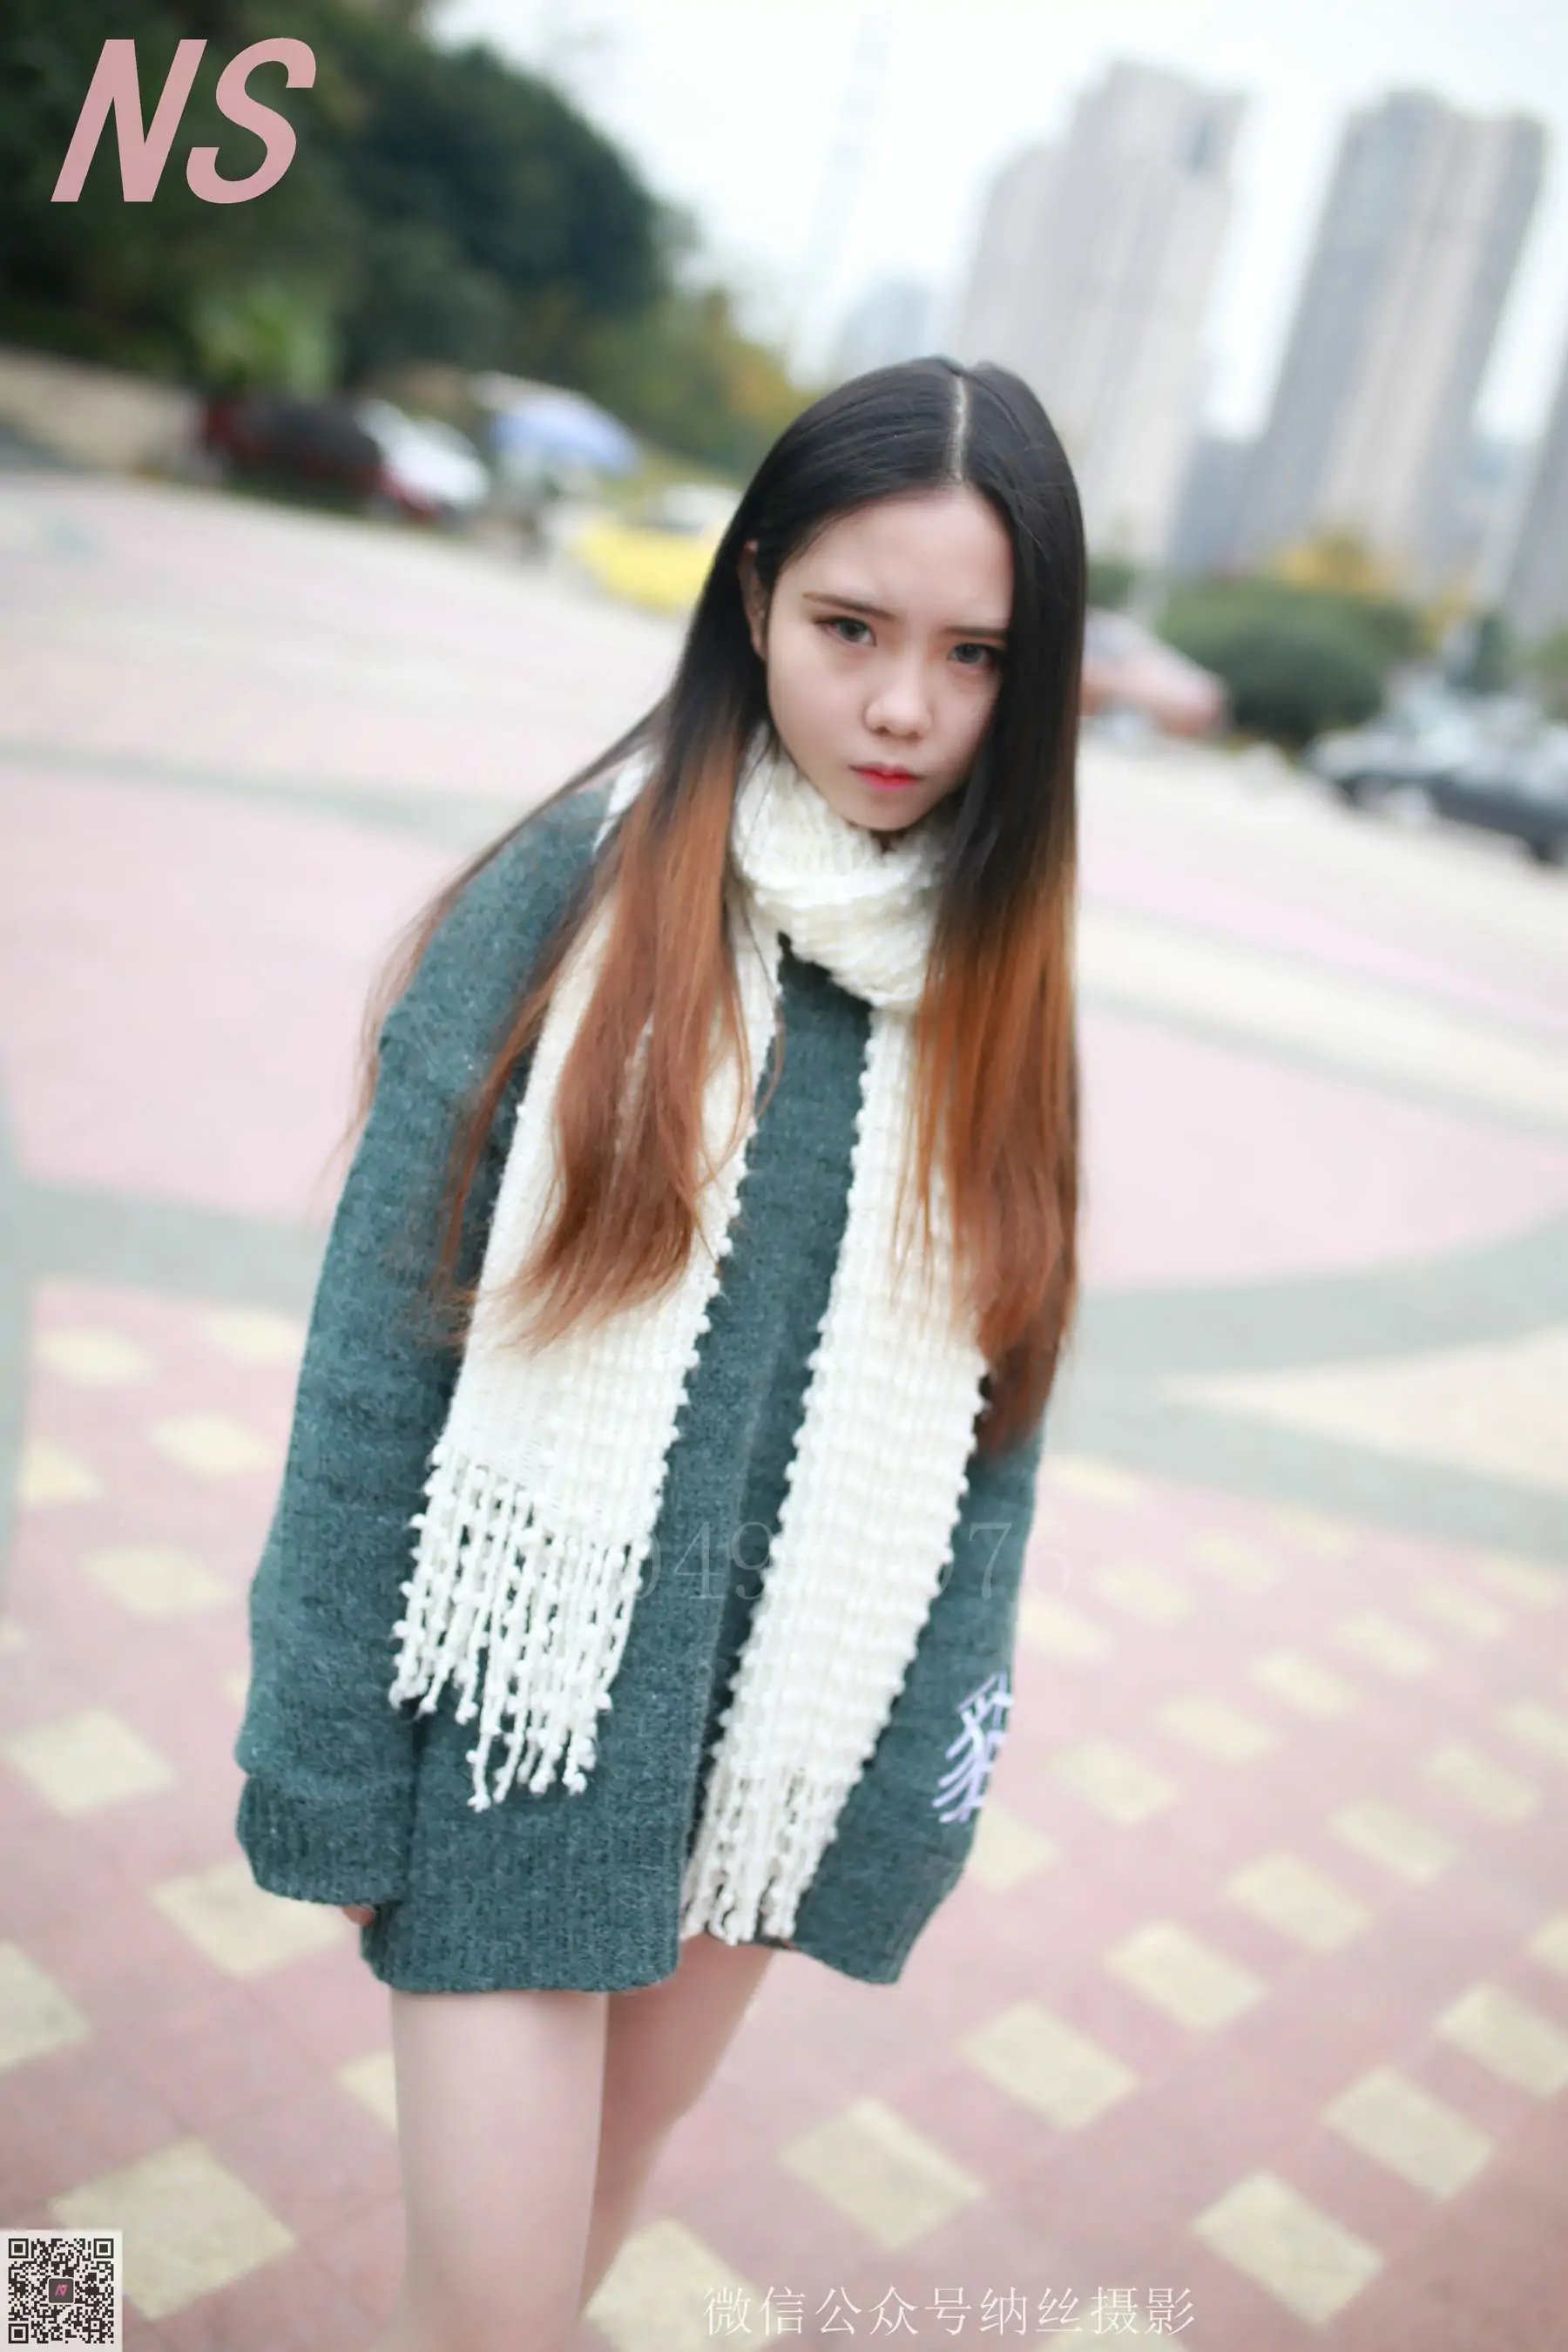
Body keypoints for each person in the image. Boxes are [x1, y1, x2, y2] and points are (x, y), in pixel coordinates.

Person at [233, 355, 1085, 2352]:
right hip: (517, 1726)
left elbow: (994, 1457)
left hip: (771, 1745)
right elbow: (377, 1362)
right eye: (853, 627)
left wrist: (916, 1795)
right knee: (498, 2305)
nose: (904, 707)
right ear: (754, 592)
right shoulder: (578, 893)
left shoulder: (993, 992)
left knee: (556, 2264)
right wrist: (327, 1756)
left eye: (973, 656)